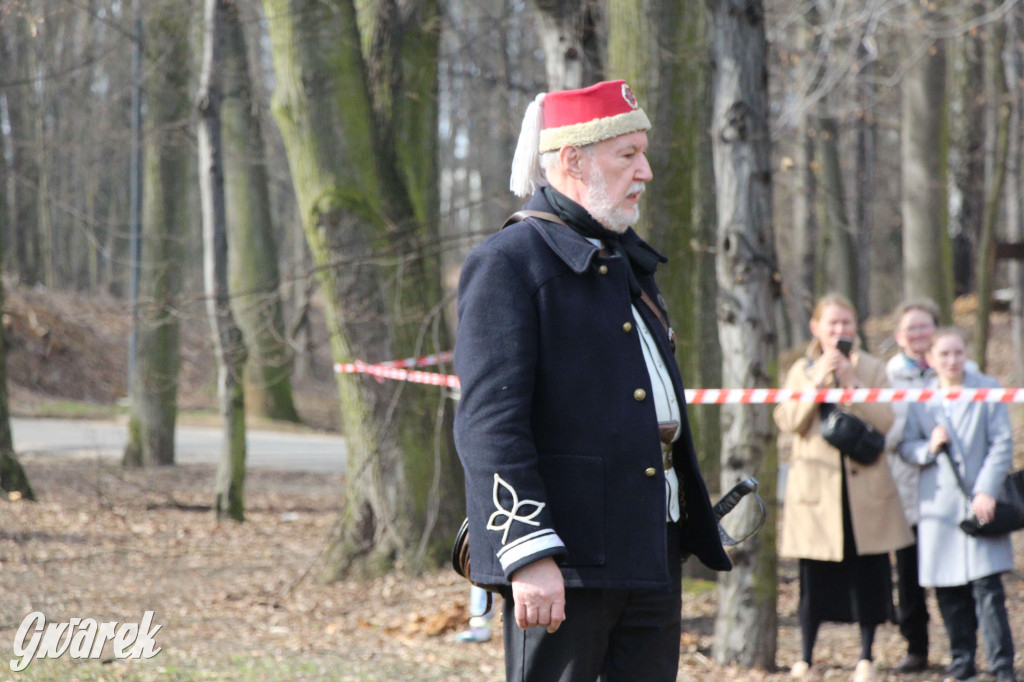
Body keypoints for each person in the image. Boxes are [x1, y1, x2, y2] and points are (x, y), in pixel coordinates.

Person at [453, 80, 731, 682]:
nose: (645, 171)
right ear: (573, 160)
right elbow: (489, 425)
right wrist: (529, 553)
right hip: (565, 557)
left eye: (643, 154)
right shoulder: (509, 262)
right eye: (627, 154)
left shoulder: (624, 259)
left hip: (649, 541)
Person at [774, 293, 913, 682]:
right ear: (816, 328)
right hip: (817, 494)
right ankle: (805, 657)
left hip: (864, 490)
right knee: (813, 580)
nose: (840, 331)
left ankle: (866, 657)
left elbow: (885, 421)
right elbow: (787, 420)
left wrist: (853, 384)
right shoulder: (801, 369)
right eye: (832, 323)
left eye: (846, 323)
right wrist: (816, 383)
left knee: (868, 576)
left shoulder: (873, 368)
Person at [899, 328, 1017, 682]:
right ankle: (962, 662)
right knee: (949, 593)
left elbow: (1002, 443)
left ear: (967, 354)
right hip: (939, 507)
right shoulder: (920, 397)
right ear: (931, 359)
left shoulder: (987, 388)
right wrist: (929, 447)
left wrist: (986, 491)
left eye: (958, 353)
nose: (952, 361)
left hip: (982, 504)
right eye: (944, 354)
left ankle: (1002, 666)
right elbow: (906, 446)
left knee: (988, 591)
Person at [884, 299, 979, 674]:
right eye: (911, 328)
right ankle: (916, 648)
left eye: (925, 327)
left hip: (954, 491)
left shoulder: (963, 370)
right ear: (899, 336)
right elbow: (886, 433)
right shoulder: (887, 376)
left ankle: (964, 650)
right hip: (906, 487)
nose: (919, 335)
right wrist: (921, 440)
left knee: (956, 575)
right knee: (909, 575)